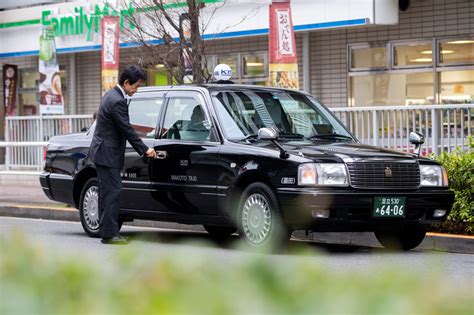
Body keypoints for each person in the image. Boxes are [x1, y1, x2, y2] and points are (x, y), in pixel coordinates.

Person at [89, 65, 156, 245]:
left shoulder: (110, 94)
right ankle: (110, 235)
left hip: (102, 152)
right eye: (136, 86)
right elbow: (127, 129)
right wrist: (145, 149)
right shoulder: (118, 101)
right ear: (126, 83)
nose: (137, 89)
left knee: (107, 192)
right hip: (108, 154)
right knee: (113, 192)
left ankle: (107, 232)